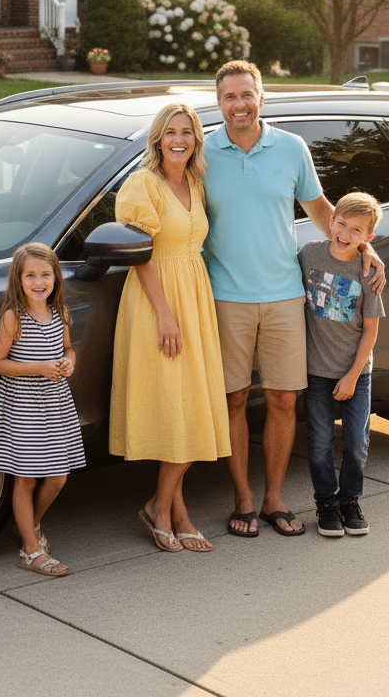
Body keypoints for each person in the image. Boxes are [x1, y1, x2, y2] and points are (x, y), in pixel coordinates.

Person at [202, 61, 385, 538]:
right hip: (226, 296)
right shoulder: (204, 152)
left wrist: (364, 248)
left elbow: (323, 211)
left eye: (247, 94)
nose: (238, 104)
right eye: (229, 97)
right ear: (218, 102)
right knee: (234, 399)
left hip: (286, 294)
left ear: (261, 97)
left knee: (284, 399)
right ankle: (242, 497)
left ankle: (274, 499)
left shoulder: (290, 148)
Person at [111, 102, 231, 553]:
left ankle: (170, 509)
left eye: (187, 131)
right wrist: (164, 313)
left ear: (196, 139)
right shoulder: (144, 183)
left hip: (193, 293)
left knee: (189, 404)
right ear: (158, 139)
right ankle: (164, 509)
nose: (179, 139)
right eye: (171, 132)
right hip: (155, 299)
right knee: (173, 404)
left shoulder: (195, 183)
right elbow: (141, 254)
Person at [0, 242, 84, 577]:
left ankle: (31, 525)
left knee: (57, 476)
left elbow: (68, 350)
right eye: (30, 275)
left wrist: (68, 363)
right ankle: (30, 549)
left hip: (54, 405)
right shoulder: (14, 318)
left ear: (55, 276)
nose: (39, 281)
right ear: (19, 279)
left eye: (45, 274)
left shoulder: (60, 313)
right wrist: (38, 367)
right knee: (25, 478)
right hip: (22, 405)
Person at [299, 192, 385, 537]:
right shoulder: (308, 254)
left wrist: (352, 376)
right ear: (331, 221)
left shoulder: (369, 274)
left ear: (369, 239)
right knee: (319, 441)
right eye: (341, 223)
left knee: (356, 441)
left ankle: (350, 499)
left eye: (357, 231)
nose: (345, 234)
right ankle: (326, 503)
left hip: (356, 374)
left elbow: (370, 332)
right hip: (316, 371)